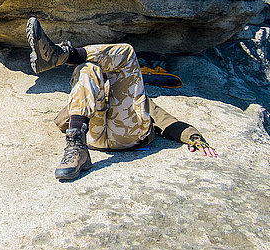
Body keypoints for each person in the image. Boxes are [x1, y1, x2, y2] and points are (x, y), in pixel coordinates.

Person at [26, 17, 217, 181]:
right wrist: (84, 97)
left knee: (122, 54)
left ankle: (60, 56)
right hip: (100, 135)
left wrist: (192, 136)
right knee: (88, 68)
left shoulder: (131, 95)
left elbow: (164, 119)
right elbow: (61, 121)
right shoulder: (88, 91)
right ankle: (77, 148)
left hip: (123, 136)